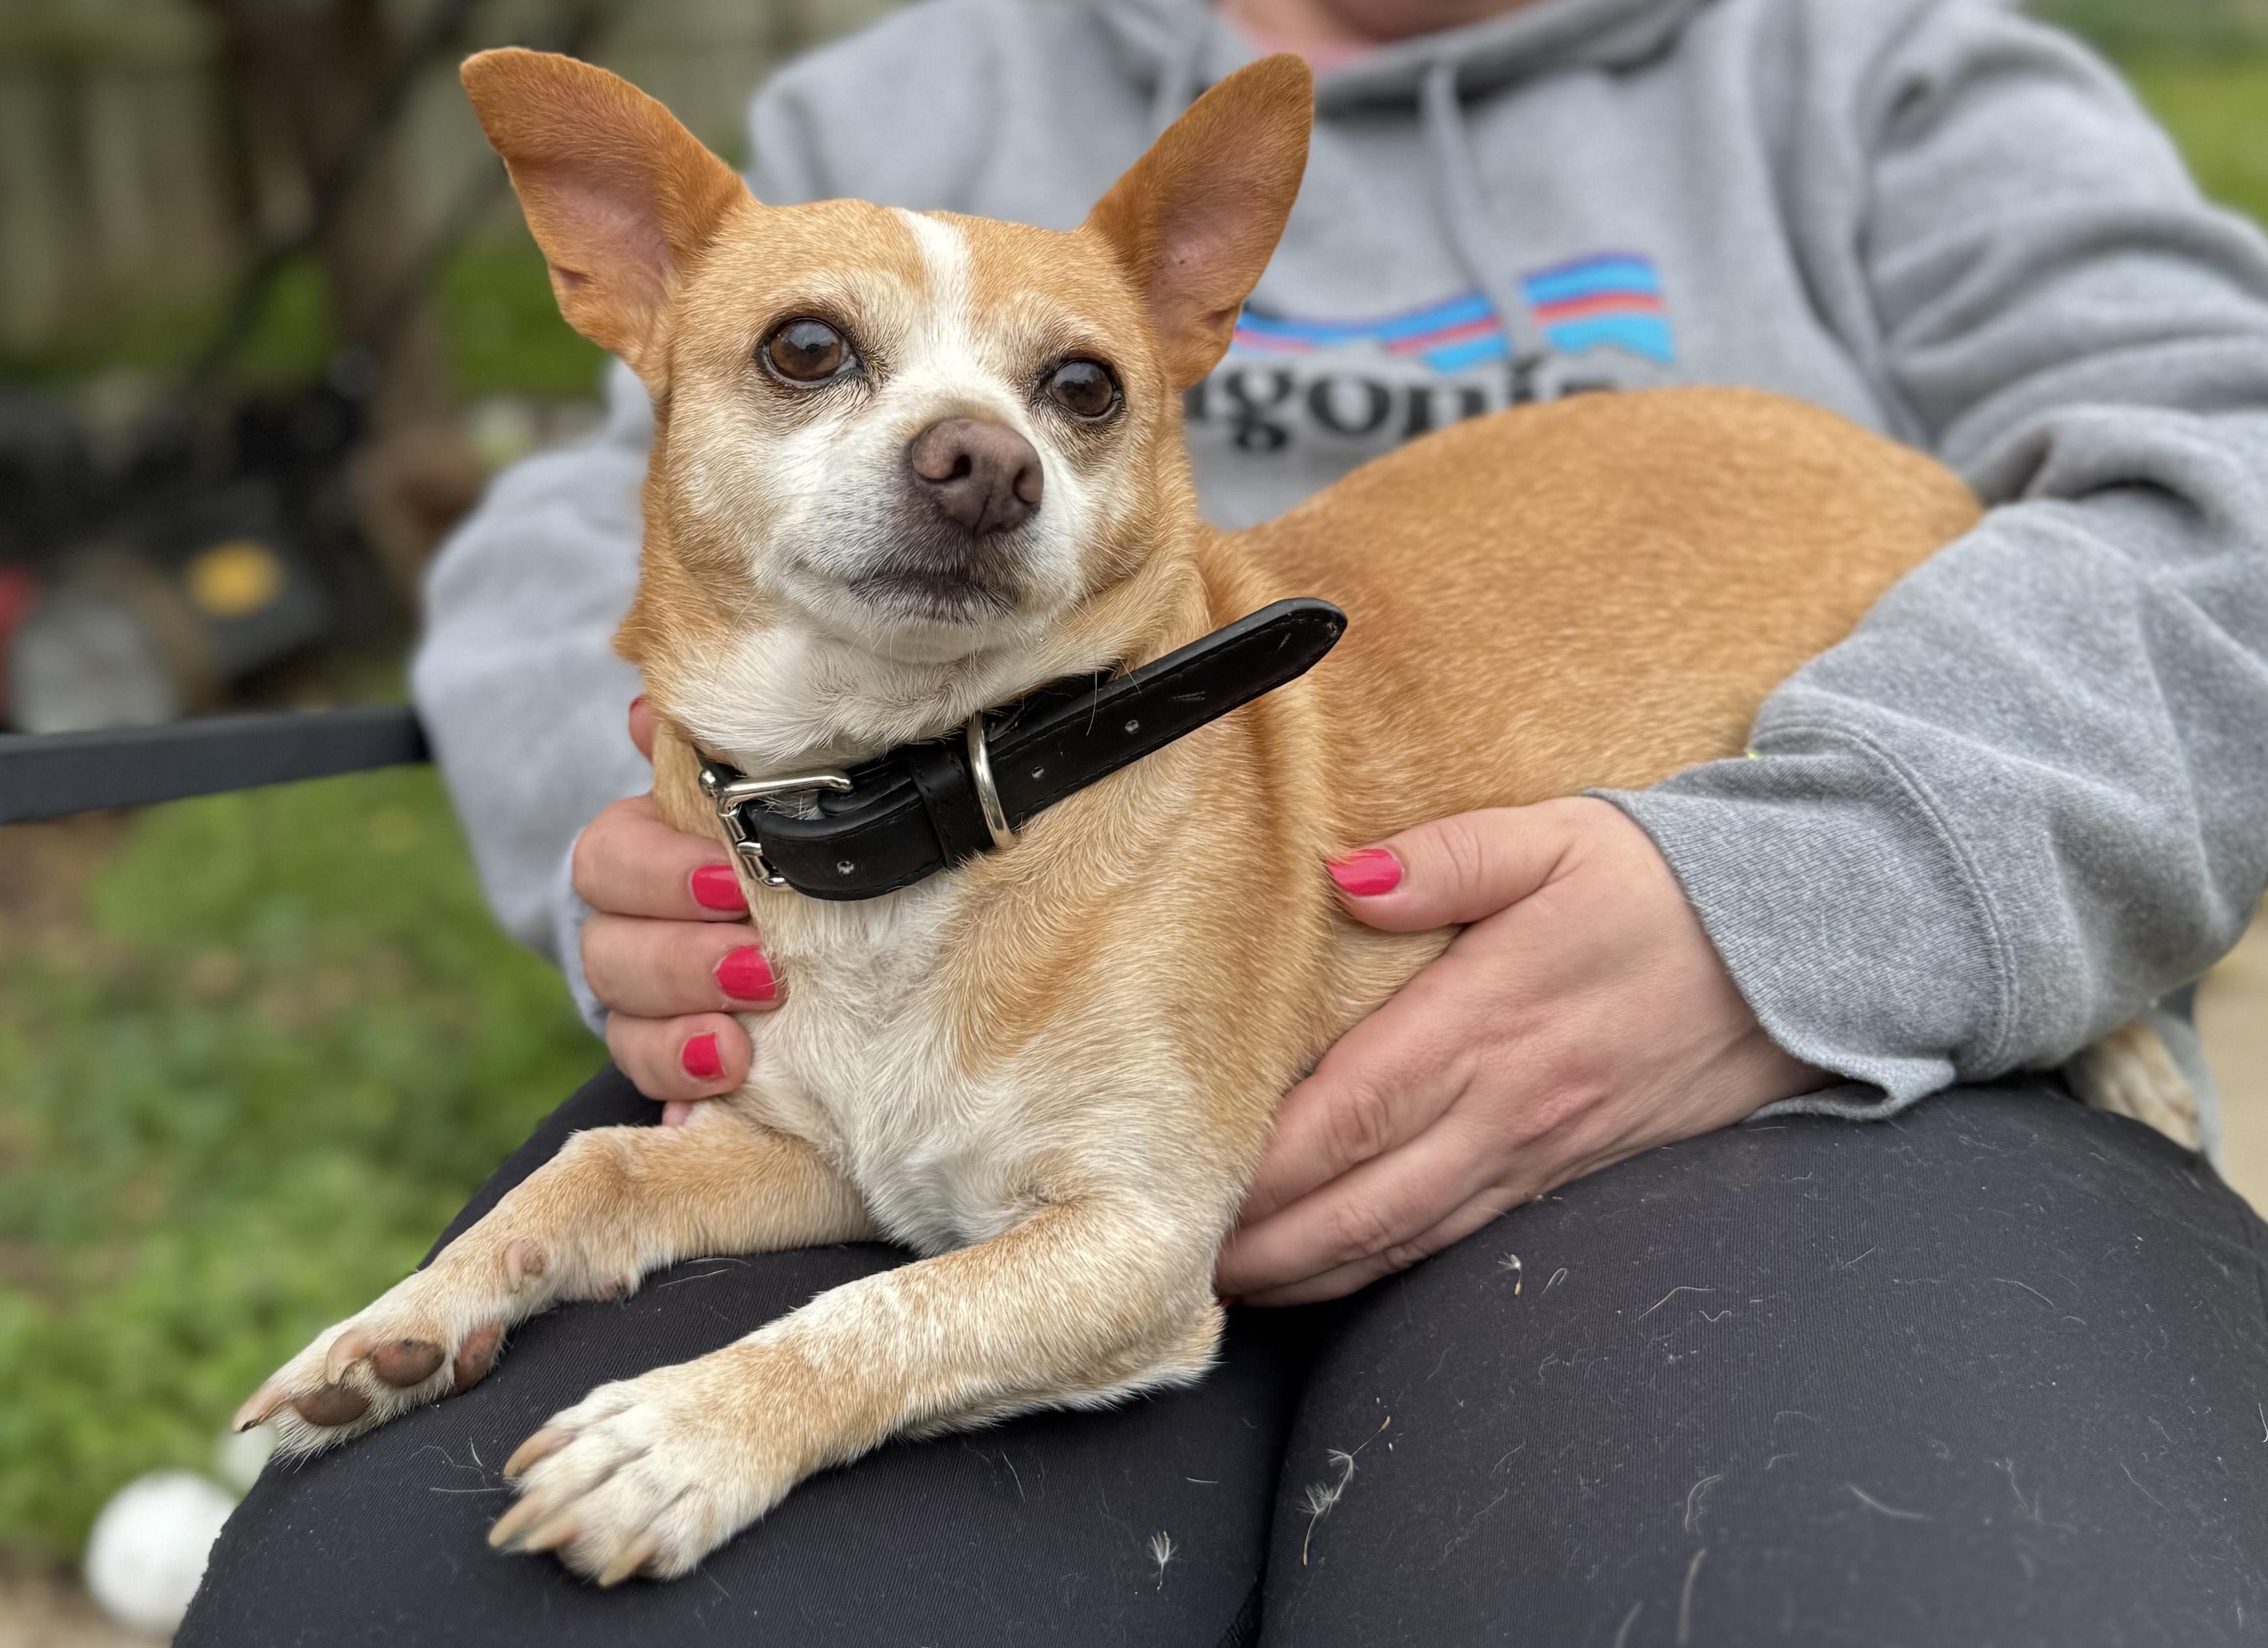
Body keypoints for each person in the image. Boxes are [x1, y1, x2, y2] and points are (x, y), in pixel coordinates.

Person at [183, 0, 2268, 1641]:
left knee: (1859, 1580)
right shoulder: (877, 102)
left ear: (1184, 338)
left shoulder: (1884, 71)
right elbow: (573, 539)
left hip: (1769, 1098)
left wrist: (1830, 887)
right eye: (818, 356)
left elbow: (2229, 458)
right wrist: (647, 824)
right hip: (872, 996)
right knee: (416, 1597)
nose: (972, 449)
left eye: (1073, 395)